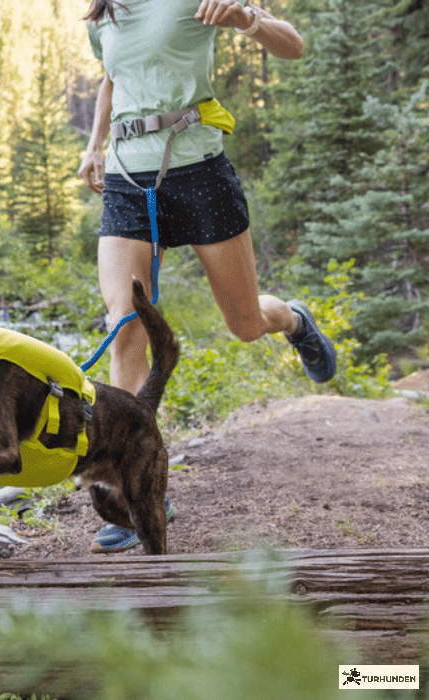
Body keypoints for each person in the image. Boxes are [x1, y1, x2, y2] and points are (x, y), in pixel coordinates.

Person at [79, 0, 336, 553]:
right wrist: (94, 144)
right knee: (127, 326)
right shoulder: (104, 10)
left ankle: (292, 320)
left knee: (244, 323)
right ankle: (136, 488)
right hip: (127, 179)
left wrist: (248, 20)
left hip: (197, 170)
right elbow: (111, 79)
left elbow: (292, 44)